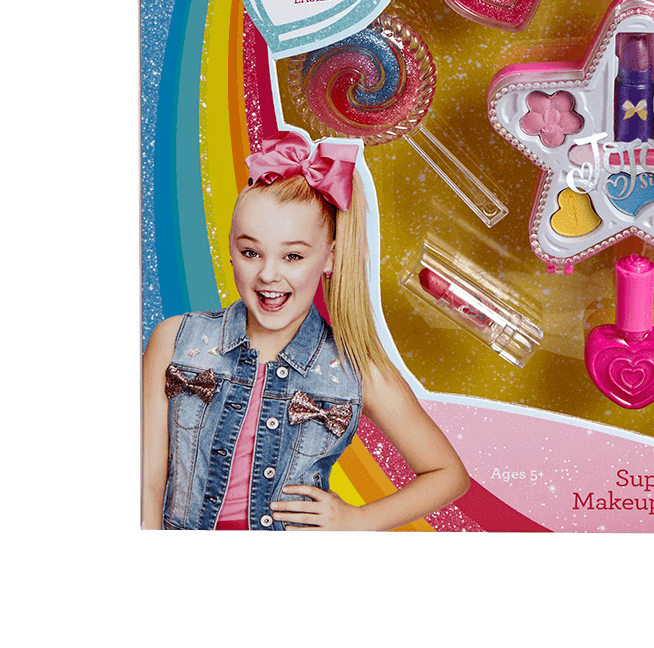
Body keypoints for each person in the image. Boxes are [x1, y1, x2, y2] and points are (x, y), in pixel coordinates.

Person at [142, 132, 470, 530]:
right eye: (251, 252)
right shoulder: (176, 340)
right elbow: (149, 482)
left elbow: (448, 474)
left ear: (329, 257)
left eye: (293, 256)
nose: (268, 274)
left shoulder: (354, 370)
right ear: (230, 249)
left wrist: (359, 519)